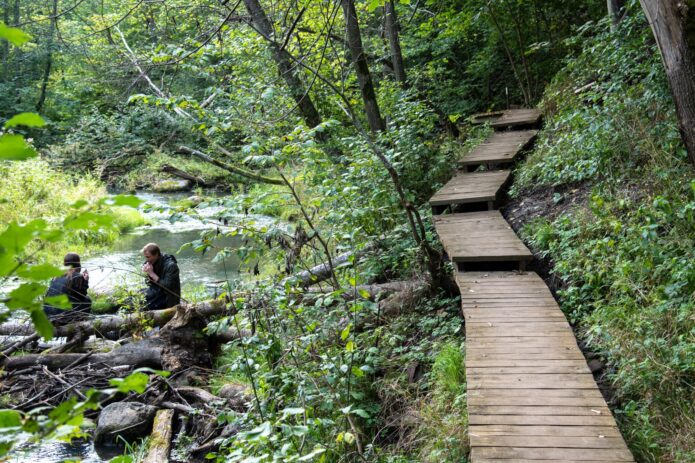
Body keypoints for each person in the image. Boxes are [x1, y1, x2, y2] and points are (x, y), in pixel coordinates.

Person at [43, 252, 92, 322]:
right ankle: (80, 323)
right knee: (87, 300)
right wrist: (86, 281)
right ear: (78, 264)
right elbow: (81, 297)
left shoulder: (57, 275)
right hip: (62, 318)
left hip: (48, 316)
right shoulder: (78, 276)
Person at [141, 243, 181, 310]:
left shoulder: (171, 266)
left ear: (156, 255)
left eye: (148, 257)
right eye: (145, 257)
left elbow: (168, 287)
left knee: (143, 308)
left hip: (168, 298)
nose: (146, 260)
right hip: (156, 293)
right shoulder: (151, 262)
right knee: (135, 298)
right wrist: (147, 274)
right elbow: (148, 284)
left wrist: (152, 274)